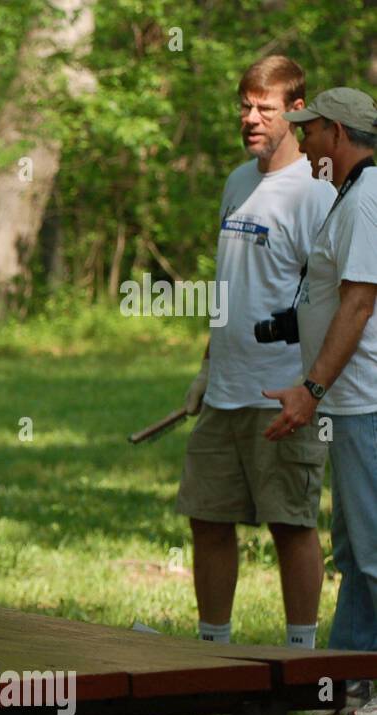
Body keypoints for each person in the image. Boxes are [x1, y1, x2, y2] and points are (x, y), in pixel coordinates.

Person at [175, 56, 335, 650]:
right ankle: (212, 651)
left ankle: (300, 660)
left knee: (291, 524)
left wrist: (312, 388)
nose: (251, 118)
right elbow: (230, 288)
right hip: (226, 388)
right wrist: (207, 365)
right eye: (244, 106)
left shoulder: (316, 194)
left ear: (297, 111)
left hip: (285, 391)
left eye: (264, 108)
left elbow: (334, 300)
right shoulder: (238, 181)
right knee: (207, 517)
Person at [265, 87, 377, 715]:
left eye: (308, 131)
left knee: (375, 549)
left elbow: (360, 303)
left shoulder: (366, 201)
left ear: (336, 131)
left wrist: (310, 390)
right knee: (357, 548)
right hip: (351, 403)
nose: (302, 143)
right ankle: (347, 681)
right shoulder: (351, 197)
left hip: (366, 403)